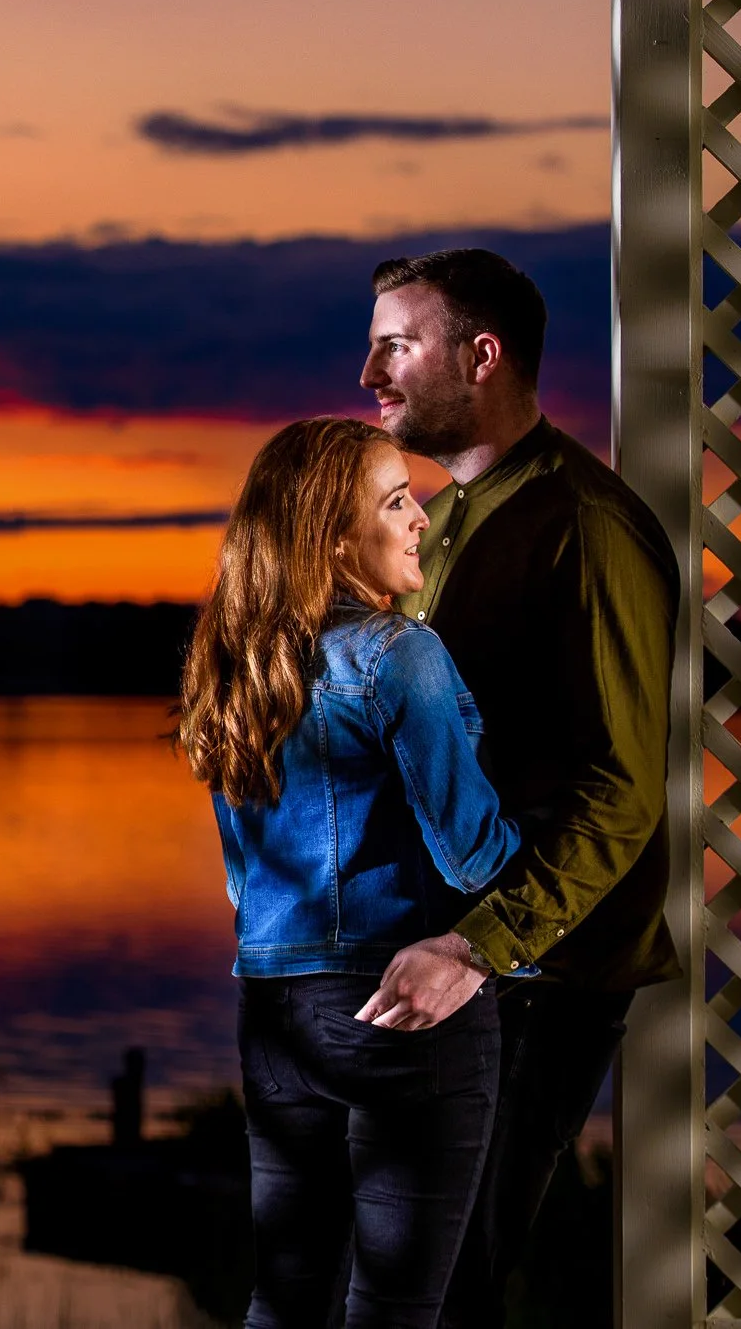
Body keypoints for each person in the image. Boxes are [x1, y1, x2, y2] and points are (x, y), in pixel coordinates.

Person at [350, 248, 679, 1329]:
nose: (369, 373)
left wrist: (476, 948)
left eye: (396, 345)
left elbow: (621, 790)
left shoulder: (585, 527)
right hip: (441, 962)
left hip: (528, 980)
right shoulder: (442, 520)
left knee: (443, 1294)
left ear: (480, 355)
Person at [182, 415, 521, 1329]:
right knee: (394, 1311)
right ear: (335, 537)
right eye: (397, 501)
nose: (421, 519)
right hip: (400, 1010)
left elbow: (243, 881)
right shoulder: (399, 654)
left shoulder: (237, 662)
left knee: (284, 1302)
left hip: (276, 1013)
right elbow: (473, 854)